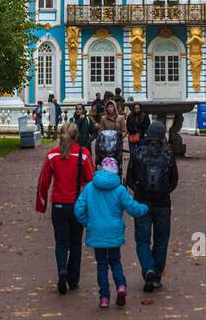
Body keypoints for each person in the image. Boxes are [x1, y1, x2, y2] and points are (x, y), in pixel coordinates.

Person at [74, 158, 148, 308]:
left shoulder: (89, 188)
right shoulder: (120, 190)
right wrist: (145, 208)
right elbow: (132, 208)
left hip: (96, 231)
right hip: (113, 231)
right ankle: (121, 286)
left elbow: (78, 209)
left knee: (101, 264)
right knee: (115, 261)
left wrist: (87, 223)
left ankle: (104, 297)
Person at [35, 122, 95, 294]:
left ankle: (62, 270)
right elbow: (92, 181)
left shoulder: (52, 156)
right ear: (77, 136)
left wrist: (41, 204)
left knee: (61, 242)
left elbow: (43, 182)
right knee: (76, 243)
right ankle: (73, 279)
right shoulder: (83, 155)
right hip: (77, 205)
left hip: (59, 205)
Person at [129, 119, 178, 291]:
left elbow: (129, 179)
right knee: (161, 240)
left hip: (142, 202)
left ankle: (148, 269)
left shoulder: (137, 152)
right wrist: (164, 192)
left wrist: (138, 190)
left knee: (142, 240)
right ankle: (156, 275)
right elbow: (174, 180)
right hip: (163, 203)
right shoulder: (168, 153)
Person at [97, 98, 127, 170]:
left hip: (117, 145)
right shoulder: (103, 118)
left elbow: (124, 130)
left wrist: (120, 136)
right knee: (106, 163)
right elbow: (102, 131)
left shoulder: (120, 118)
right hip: (106, 145)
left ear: (115, 107)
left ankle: (118, 177)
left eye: (111, 106)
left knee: (117, 162)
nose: (109, 108)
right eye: (108, 106)